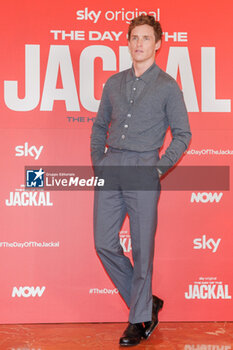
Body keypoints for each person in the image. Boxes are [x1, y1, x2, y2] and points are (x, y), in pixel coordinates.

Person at [91, 15, 191, 346]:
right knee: (104, 243)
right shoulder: (113, 83)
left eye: (146, 38)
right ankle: (145, 300)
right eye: (134, 37)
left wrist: (158, 168)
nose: (139, 43)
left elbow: (182, 134)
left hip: (144, 167)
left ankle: (140, 317)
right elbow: (99, 125)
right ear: (128, 41)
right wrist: (99, 162)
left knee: (142, 251)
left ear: (158, 44)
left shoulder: (167, 86)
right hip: (112, 165)